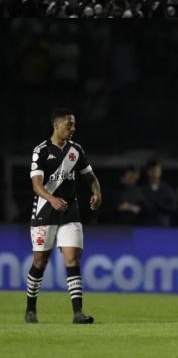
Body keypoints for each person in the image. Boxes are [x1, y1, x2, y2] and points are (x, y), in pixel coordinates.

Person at [26, 108, 102, 324]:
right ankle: (30, 307)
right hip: (45, 211)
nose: (73, 128)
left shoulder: (76, 150)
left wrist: (97, 192)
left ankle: (78, 313)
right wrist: (51, 199)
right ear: (56, 125)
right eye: (69, 124)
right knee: (40, 262)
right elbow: (36, 185)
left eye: (74, 124)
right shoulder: (40, 151)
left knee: (72, 258)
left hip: (70, 211)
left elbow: (91, 177)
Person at [140, 159, 177, 226]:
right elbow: (141, 207)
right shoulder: (142, 189)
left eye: (157, 169)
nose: (155, 171)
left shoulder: (168, 189)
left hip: (163, 226)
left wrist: (158, 205)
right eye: (152, 169)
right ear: (148, 172)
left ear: (160, 171)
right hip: (146, 227)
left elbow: (173, 207)